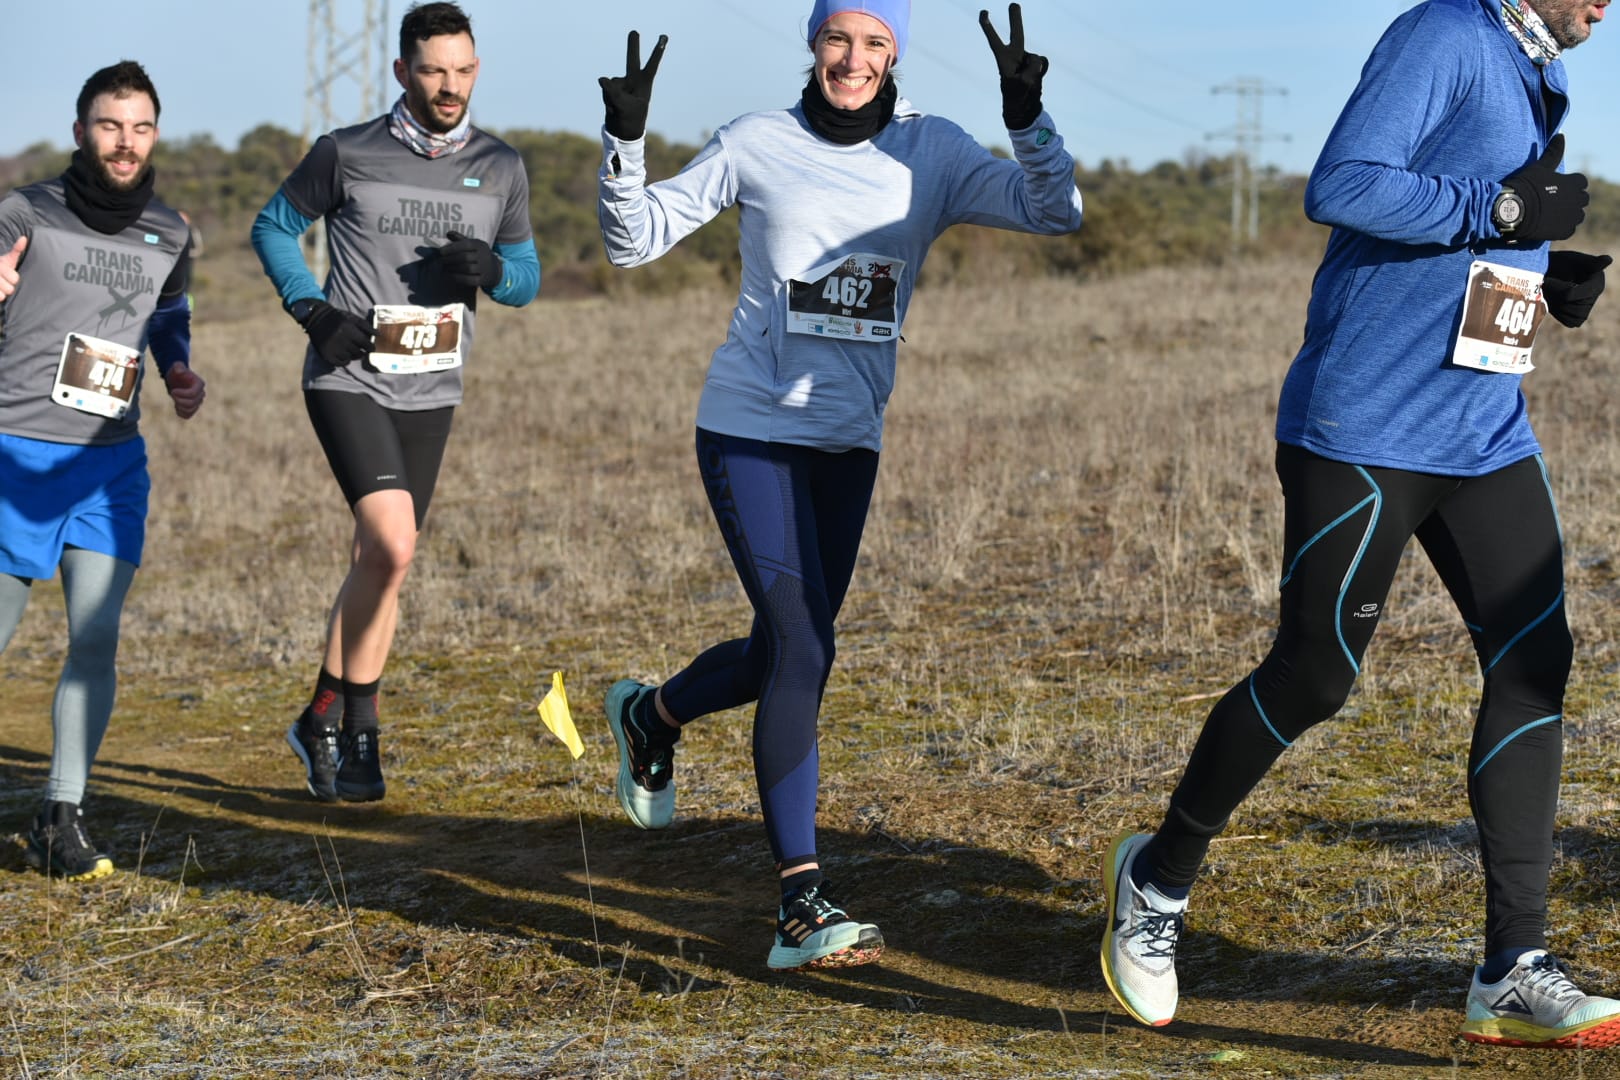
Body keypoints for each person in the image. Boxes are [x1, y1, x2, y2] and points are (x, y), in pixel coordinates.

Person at [1100, 0, 1618, 1049]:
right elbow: (1343, 185)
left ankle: (1511, 967)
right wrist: (1505, 218)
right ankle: (1154, 887)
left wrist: (1533, 272)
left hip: (1484, 431)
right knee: (1315, 678)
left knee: (1534, 667)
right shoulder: (1446, 35)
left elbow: (1475, 219)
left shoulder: (1530, 64)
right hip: (1368, 429)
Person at [598, 1, 1082, 971]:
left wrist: (1029, 119)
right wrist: (624, 138)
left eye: (874, 45)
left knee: (790, 646)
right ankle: (799, 907)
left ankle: (651, 716)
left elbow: (1054, 212)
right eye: (838, 40)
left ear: (893, 56)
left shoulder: (932, 154)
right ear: (814, 46)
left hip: (849, 439)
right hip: (748, 429)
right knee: (804, 648)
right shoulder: (757, 142)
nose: (853, 61)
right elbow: (632, 239)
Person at [251, 1, 539, 804]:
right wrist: (311, 308)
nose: (450, 86)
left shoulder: (502, 165)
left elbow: (526, 280)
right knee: (394, 543)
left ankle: (328, 722)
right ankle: (358, 722)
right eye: (434, 69)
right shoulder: (346, 153)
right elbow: (274, 228)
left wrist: (492, 270)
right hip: (348, 375)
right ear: (402, 71)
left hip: (433, 387)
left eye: (464, 69)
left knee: (380, 563)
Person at [0, 60, 205, 880]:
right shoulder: (24, 212)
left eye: (141, 127)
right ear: (81, 129)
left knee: (95, 640)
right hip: (16, 452)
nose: (126, 143)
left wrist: (180, 370)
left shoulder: (171, 231)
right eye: (110, 125)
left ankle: (60, 816)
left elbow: (168, 316)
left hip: (110, 464)